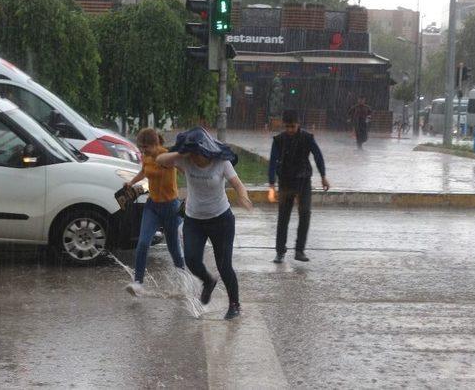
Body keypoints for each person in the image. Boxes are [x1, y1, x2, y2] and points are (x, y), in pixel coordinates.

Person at [157, 127, 253, 320]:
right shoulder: (185, 160)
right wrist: (183, 150)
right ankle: (208, 281)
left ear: (204, 151)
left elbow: (238, 184)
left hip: (221, 219)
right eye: (189, 153)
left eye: (195, 153)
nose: (192, 157)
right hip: (194, 220)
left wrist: (243, 197)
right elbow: (160, 160)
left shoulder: (221, 162)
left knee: (224, 265)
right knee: (191, 259)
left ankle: (234, 304)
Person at [124, 128, 185, 296]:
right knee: (143, 243)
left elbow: (183, 168)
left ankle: (185, 281)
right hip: (152, 206)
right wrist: (131, 183)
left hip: (171, 207)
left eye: (146, 148)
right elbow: (144, 171)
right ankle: (138, 283)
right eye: (141, 148)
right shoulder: (146, 157)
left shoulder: (167, 156)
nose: (143, 151)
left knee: (174, 249)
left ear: (156, 144)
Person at [268, 110, 330, 264]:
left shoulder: (308, 138)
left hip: (303, 180)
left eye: (293, 127)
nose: (290, 130)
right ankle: (280, 252)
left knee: (305, 213)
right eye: (287, 127)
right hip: (285, 181)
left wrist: (323, 176)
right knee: (283, 217)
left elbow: (318, 156)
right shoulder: (279, 140)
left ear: (298, 124)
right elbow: (272, 162)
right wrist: (271, 184)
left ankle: (299, 250)